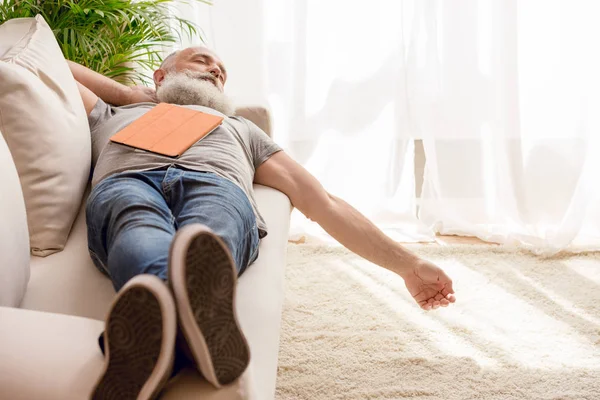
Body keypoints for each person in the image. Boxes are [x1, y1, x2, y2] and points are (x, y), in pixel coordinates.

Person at [69, 46, 456, 399]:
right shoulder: (113, 111)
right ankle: (185, 329)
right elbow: (44, 62)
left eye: (221, 70)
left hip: (214, 184)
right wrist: (132, 95)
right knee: (135, 225)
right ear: (160, 75)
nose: (216, 70)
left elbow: (323, 202)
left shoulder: (241, 129)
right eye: (202, 60)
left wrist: (408, 265)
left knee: (205, 237)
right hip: (129, 180)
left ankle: (153, 336)